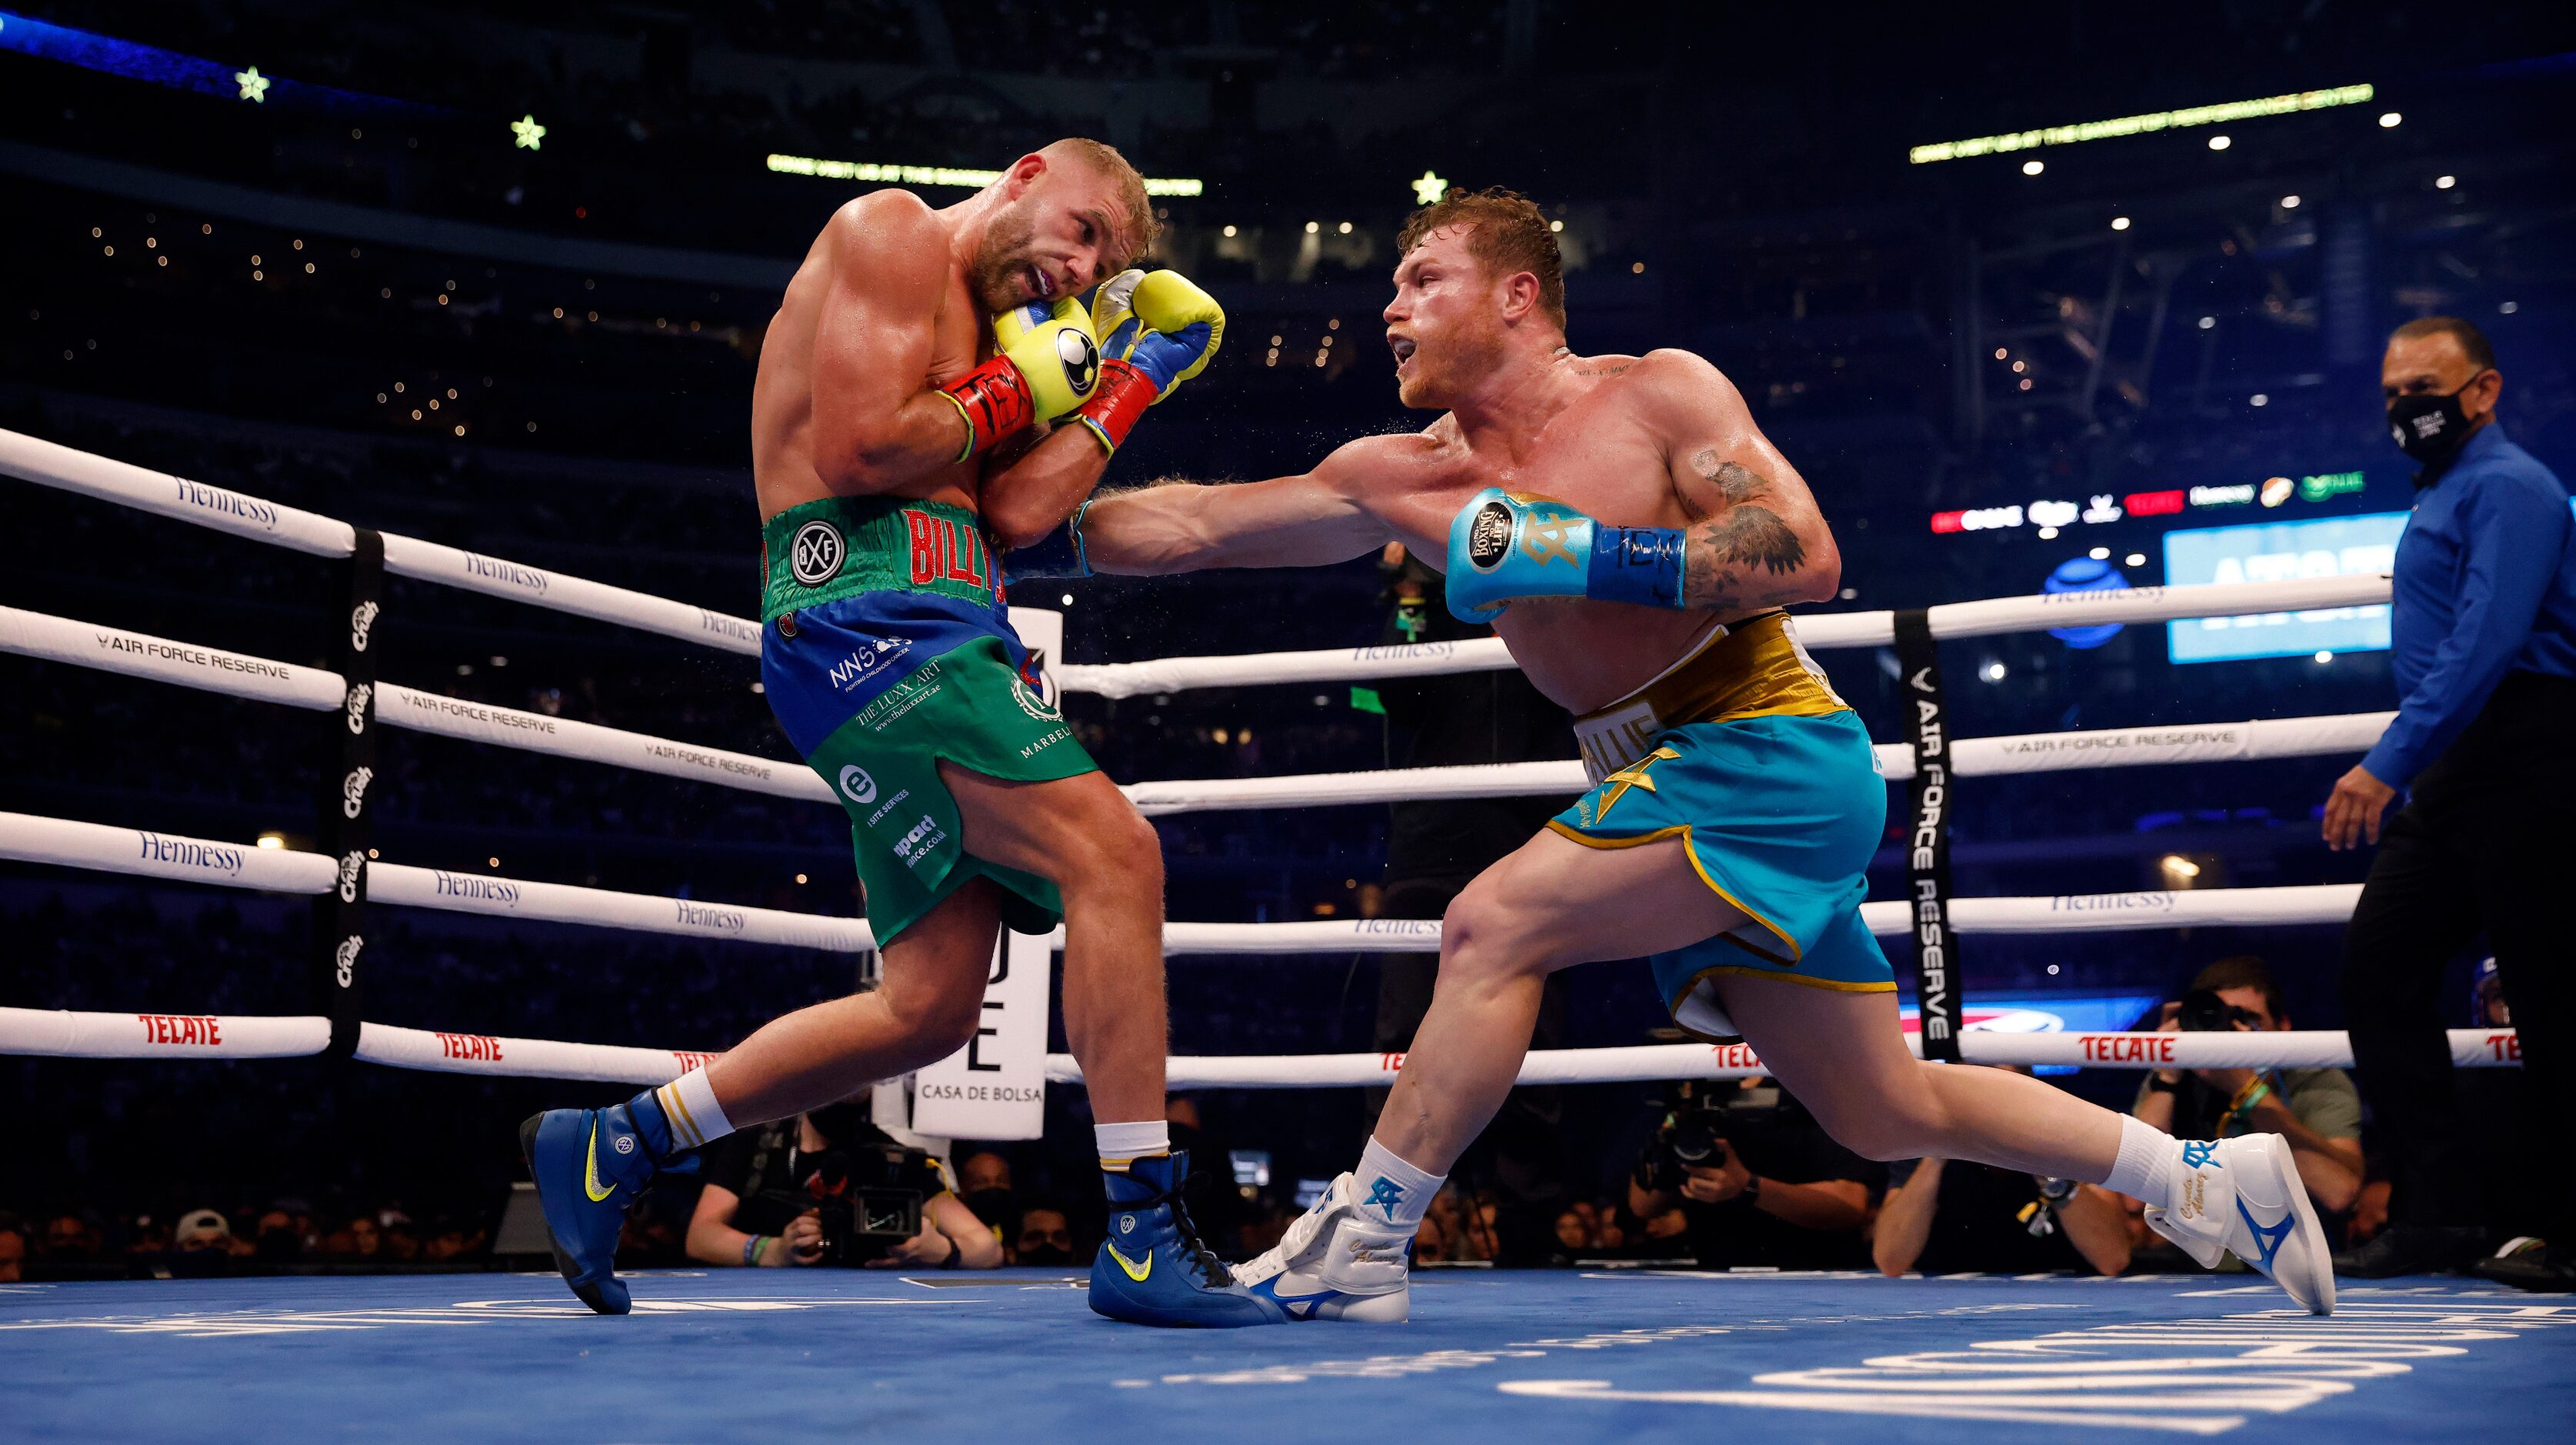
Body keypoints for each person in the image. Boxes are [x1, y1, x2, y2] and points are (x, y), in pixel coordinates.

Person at [1034, 185, 2333, 1320]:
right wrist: (1038, 465)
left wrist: (1588, 553)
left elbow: (1805, 554)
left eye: (1419, 278)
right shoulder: (1397, 473)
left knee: (1491, 923)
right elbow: (1191, 527)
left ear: (1516, 294)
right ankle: (2204, 1180)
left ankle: (1359, 1238)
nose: (1388, 306)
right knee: (1879, 1107)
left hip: (1762, 740)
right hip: (1654, 778)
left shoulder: (1657, 392)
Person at [518, 138, 1281, 1325]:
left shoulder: (1010, 337)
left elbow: (1022, 510)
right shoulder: (892, 233)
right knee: (1116, 853)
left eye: (1102, 270)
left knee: (926, 1006)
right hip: (864, 619)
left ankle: (616, 1141)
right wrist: (1039, 379)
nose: (1076, 272)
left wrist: (1129, 379)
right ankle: (1140, 1231)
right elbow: (861, 447)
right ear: (1027, 173)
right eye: (1081, 231)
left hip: (951, 621)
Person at [2326, 315, 2576, 1284]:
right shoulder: (2448, 488)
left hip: (2527, 755)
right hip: (2459, 769)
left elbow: (2488, 640)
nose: (2406, 407)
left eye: (2424, 387)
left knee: (2554, 993)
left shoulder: (2510, 486)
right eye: (2393, 392)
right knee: (2377, 965)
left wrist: (2386, 761)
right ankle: (2439, 1215)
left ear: (2483, 390)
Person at [1368, 546, 1581, 1263]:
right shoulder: (1426, 622)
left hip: (1534, 846)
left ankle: (1530, 1233)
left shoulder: (1555, 625)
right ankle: (1381, 1227)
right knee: (1399, 1038)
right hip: (1428, 846)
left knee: (1534, 1049)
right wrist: (1411, 597)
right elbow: (1385, 697)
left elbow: (1588, 694)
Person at [2130, 958, 2364, 1217]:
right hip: (2197, 1248)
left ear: (2283, 1026)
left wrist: (2246, 1090)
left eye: (2247, 1019)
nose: (2232, 1034)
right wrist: (2167, 1074)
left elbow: (2339, 1192)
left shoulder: (2315, 1080)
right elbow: (2133, 1201)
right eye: (2218, 1019)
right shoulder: (2172, 1077)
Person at [685, 1100, 1000, 1270]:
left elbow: (987, 1246)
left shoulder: (893, 1161)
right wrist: (773, 1251)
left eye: (860, 1074)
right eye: (840, 1072)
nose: (848, 1086)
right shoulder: (757, 1146)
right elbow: (701, 1236)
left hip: (870, 1316)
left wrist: (945, 1251)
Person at [1877, 1068, 2131, 1277]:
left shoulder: (2073, 1140)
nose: (1994, 1111)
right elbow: (1891, 1261)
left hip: (2060, 1298)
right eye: (1982, 1097)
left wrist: (2045, 1163)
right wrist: (1939, 1150)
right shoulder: (1922, 1147)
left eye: (2007, 1098)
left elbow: (2113, 1259)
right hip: (1951, 1303)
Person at [1625, 1077, 1875, 1270]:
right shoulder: (1694, 1090)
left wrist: (1747, 1186)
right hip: (1714, 1280)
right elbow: (1642, 1206)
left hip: (1816, 1277)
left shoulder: (1816, 1083)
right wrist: (1677, 1122)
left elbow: (1850, 1204)